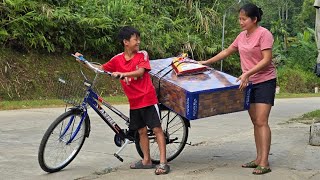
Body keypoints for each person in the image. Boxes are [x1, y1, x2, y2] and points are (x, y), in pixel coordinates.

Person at [74, 26, 170, 175]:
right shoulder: (117, 59)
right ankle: (147, 161)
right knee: (141, 131)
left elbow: (141, 71)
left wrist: (122, 73)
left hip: (147, 98)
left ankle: (163, 163)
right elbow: (101, 68)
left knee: (157, 129)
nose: (138, 42)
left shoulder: (142, 54)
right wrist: (84, 61)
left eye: (138, 38)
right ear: (126, 42)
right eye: (135, 39)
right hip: (134, 101)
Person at [200, 3, 276, 175]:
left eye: (244, 19)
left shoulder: (264, 34)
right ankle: (258, 158)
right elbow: (227, 51)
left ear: (254, 19)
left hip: (265, 82)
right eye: (239, 19)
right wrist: (206, 62)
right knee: (255, 122)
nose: (240, 22)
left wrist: (247, 73)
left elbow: (267, 60)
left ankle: (265, 162)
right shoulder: (242, 36)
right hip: (248, 82)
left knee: (262, 121)